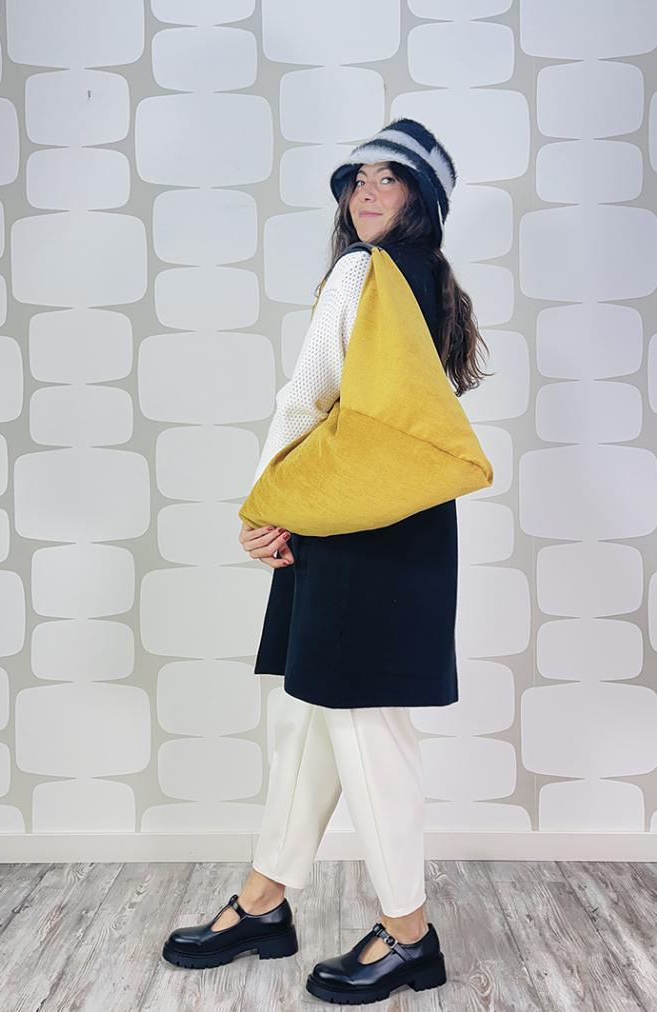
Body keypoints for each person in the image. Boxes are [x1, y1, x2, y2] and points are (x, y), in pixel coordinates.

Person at [163, 118, 492, 1004]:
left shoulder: (362, 271)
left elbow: (305, 396)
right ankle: (262, 901)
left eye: (390, 179)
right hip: (402, 521)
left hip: (349, 524)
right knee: (311, 713)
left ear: (422, 199)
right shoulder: (433, 289)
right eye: (357, 179)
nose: (367, 193)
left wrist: (264, 501)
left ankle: (408, 936)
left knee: (364, 728)